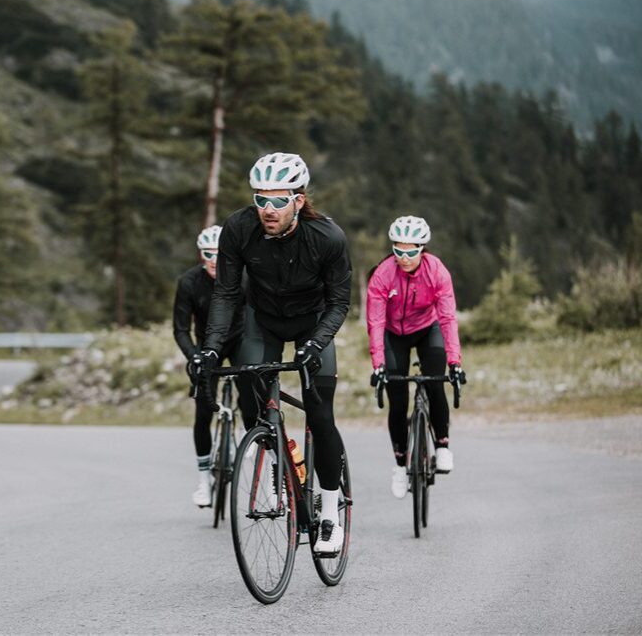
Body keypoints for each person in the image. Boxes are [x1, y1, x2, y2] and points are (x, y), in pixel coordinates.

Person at [190, 152, 352, 556]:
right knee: (252, 395)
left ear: (298, 200)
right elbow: (226, 294)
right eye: (260, 198)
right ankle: (279, 451)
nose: (268, 209)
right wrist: (210, 350)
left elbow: (338, 302)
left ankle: (329, 512)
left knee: (319, 412)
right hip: (262, 320)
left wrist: (316, 343)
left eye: (278, 200)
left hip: (313, 323)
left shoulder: (327, 237)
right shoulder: (239, 228)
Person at [366, 215, 467, 499]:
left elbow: (448, 318)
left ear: (423, 248)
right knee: (397, 401)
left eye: (411, 251)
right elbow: (375, 321)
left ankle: (443, 445)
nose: (404, 257)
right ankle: (400, 466)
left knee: (435, 383)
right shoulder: (384, 274)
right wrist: (379, 366)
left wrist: (455, 362)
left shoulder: (437, 272)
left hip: (427, 328)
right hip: (393, 334)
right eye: (398, 250)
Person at [173, 225, 247, 507]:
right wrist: (193, 355)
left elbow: (255, 315)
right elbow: (180, 329)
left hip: (239, 339)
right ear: (200, 255)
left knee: (251, 390)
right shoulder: (189, 282)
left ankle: (247, 431)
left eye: (221, 254)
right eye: (208, 254)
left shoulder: (243, 278)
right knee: (203, 409)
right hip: (207, 344)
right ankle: (204, 479)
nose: (215, 260)